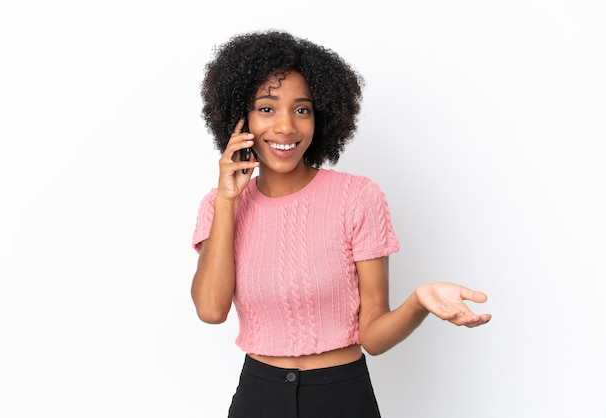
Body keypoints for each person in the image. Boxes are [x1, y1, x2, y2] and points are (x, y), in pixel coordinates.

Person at [191, 30, 491, 418]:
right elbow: (211, 310)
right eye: (267, 109)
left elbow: (374, 336)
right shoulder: (218, 205)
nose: (286, 127)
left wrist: (419, 302)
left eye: (302, 110)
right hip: (258, 396)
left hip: (342, 396)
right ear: (240, 118)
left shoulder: (357, 198)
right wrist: (228, 201)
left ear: (321, 116)